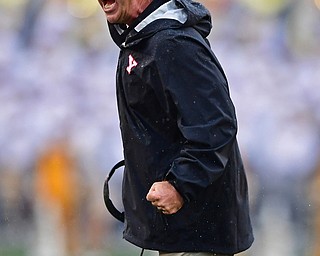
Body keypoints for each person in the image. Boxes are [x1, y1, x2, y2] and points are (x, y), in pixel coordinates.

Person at [97, 0, 254, 255]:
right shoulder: (145, 40)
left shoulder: (172, 43)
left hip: (195, 233)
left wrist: (180, 185)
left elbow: (216, 127)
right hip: (181, 231)